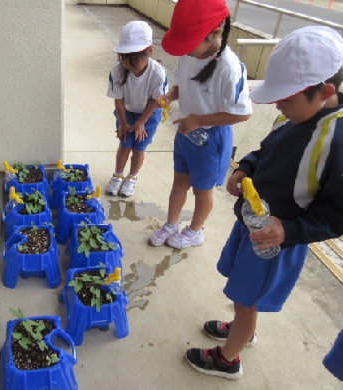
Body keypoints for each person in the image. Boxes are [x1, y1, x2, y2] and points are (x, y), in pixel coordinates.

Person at [185, 26, 343, 380]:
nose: (278, 105)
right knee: (244, 294)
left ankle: (228, 359)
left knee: (246, 298)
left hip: (275, 239)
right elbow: (267, 149)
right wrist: (246, 167)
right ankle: (245, 328)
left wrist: (289, 229)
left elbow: (338, 214)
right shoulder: (296, 114)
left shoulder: (336, 138)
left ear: (326, 91)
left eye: (286, 98)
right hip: (254, 224)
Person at [147, 0, 251, 249]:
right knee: (179, 182)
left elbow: (242, 113)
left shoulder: (228, 67)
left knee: (202, 190)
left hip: (210, 138)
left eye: (189, 42)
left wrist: (199, 121)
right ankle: (172, 223)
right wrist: (170, 96)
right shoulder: (188, 53)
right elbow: (182, 84)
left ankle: (195, 230)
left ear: (215, 33)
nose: (185, 49)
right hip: (186, 130)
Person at [105, 21, 168, 197]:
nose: (128, 63)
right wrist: (123, 123)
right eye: (124, 58)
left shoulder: (158, 73)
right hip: (126, 112)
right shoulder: (117, 70)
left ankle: (132, 177)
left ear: (150, 51)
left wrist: (141, 123)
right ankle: (118, 175)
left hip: (148, 114)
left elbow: (155, 102)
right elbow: (118, 99)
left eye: (134, 58)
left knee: (139, 147)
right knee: (125, 143)